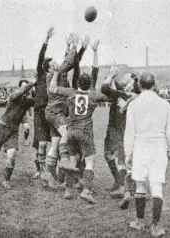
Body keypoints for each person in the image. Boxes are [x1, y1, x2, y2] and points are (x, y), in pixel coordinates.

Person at [48, 40, 108, 203]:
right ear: (90, 84)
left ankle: (68, 190)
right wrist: (95, 52)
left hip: (71, 131)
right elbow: (104, 88)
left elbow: (52, 88)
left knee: (73, 160)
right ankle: (86, 191)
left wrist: (54, 73)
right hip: (85, 132)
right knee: (90, 161)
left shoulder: (71, 93)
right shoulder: (94, 95)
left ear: (78, 83)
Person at [124, 72, 170, 237]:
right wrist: (169, 148)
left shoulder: (134, 104)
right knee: (157, 186)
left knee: (140, 185)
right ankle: (155, 226)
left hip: (140, 147)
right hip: (159, 147)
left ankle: (139, 221)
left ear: (139, 85)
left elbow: (129, 132)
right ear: (154, 85)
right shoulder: (165, 104)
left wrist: (127, 153)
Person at [41, 33, 89, 189]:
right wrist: (75, 45)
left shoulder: (56, 73)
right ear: (49, 68)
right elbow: (67, 62)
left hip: (54, 112)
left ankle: (48, 174)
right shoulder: (53, 75)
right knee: (67, 135)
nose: (57, 64)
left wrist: (75, 48)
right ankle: (65, 163)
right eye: (54, 63)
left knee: (55, 143)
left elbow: (71, 61)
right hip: (56, 113)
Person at [0, 78, 37, 190]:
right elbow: (20, 92)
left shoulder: (28, 101)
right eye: (24, 87)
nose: (25, 90)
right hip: (2, 129)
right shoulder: (13, 96)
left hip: (13, 131)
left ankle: (6, 181)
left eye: (27, 88)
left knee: (11, 156)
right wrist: (33, 82)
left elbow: (39, 101)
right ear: (20, 88)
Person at [101, 64, 140, 197]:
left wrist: (112, 75)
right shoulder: (122, 92)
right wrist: (112, 73)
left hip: (122, 130)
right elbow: (110, 83)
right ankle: (120, 182)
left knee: (122, 160)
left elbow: (106, 88)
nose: (123, 77)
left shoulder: (128, 94)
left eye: (126, 77)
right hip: (112, 128)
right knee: (108, 155)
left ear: (132, 82)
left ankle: (125, 187)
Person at [32, 27, 54, 180]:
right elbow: (41, 57)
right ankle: (40, 170)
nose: (55, 67)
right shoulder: (41, 75)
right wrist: (46, 40)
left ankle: (49, 170)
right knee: (41, 143)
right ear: (46, 67)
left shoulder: (56, 79)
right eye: (52, 65)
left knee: (52, 144)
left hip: (51, 112)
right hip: (40, 113)